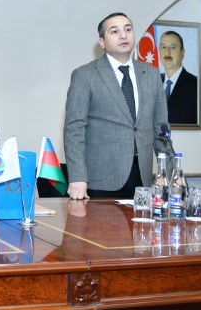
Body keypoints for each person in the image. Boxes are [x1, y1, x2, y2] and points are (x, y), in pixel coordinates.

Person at [64, 12, 171, 200]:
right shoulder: (85, 75)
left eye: (128, 29)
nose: (123, 35)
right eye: (114, 31)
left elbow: (161, 130)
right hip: (100, 181)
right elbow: (74, 129)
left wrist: (170, 175)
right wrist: (77, 177)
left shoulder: (152, 75)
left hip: (142, 179)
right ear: (102, 42)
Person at [159, 30, 198, 125]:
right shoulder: (152, 83)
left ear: (182, 53)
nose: (167, 53)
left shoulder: (196, 85)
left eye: (173, 47)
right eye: (163, 47)